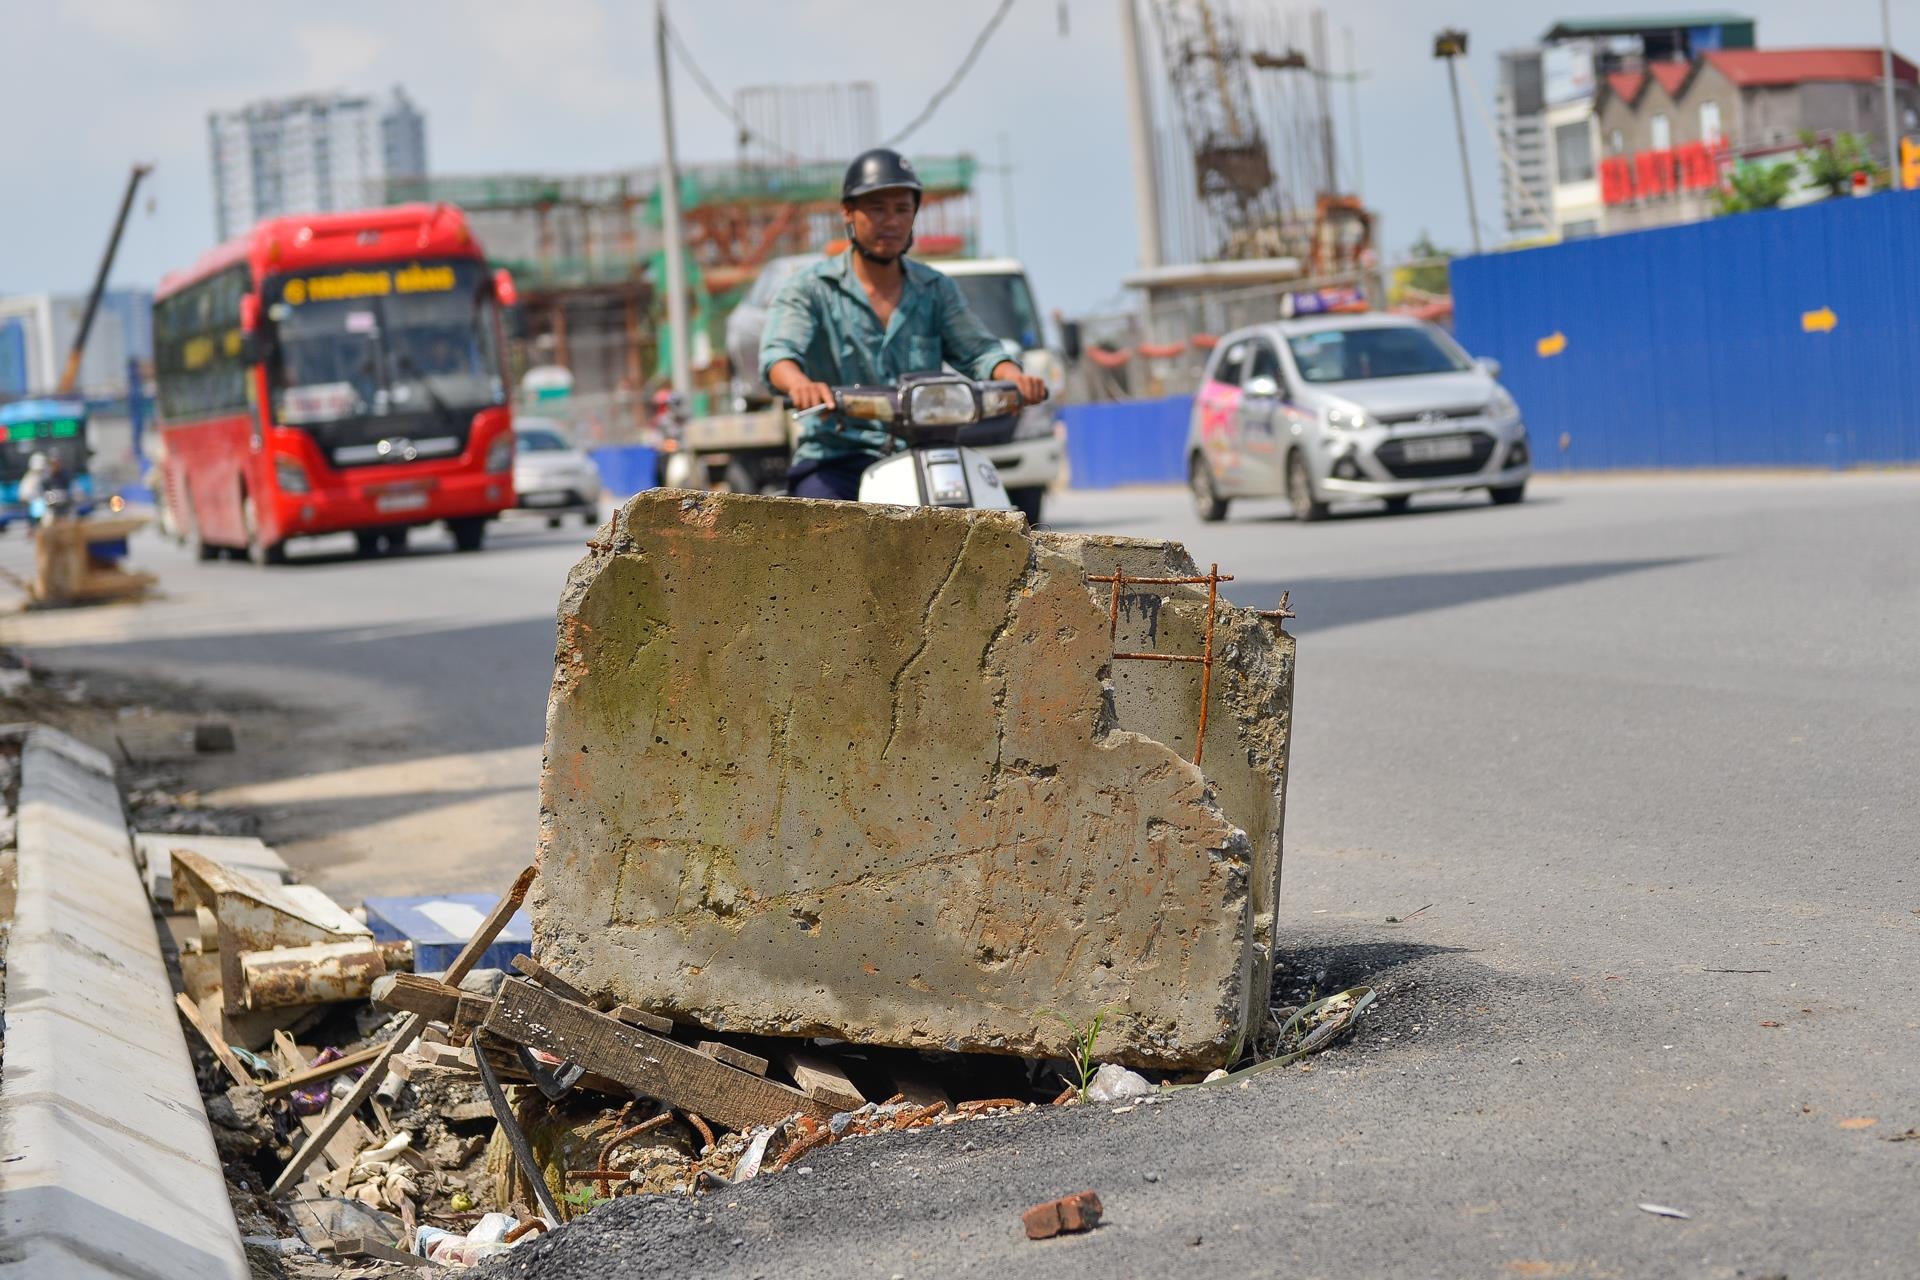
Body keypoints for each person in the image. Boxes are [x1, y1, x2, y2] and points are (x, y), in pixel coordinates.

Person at [760, 148, 1048, 500]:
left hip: (925, 454)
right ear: (848, 212)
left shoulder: (936, 289)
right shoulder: (810, 289)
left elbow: (979, 351)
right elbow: (779, 354)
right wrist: (801, 385)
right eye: (878, 208)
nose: (892, 221)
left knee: (988, 518)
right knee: (824, 538)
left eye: (902, 209)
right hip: (838, 458)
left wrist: (1012, 377)